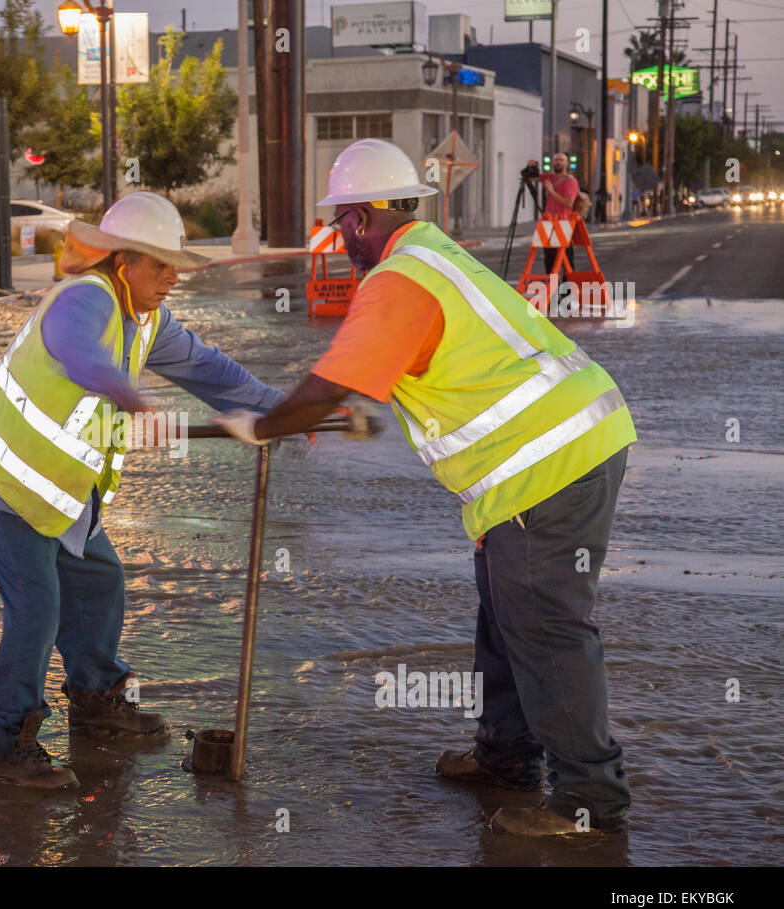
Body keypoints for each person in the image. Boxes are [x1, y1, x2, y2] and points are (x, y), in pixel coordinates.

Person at [215, 139, 638, 837]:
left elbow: (324, 387)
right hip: (551, 456)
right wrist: (344, 409)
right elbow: (406, 364)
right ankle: (506, 759)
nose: (338, 240)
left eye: (339, 225)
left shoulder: (397, 281)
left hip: (552, 463)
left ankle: (589, 800)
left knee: (547, 630)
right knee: (505, 619)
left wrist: (261, 427)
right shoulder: (431, 255)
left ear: (356, 219)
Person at [0, 191, 286, 789]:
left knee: (98, 581)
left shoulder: (147, 316)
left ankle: (95, 700)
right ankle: (5, 740)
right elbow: (80, 355)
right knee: (37, 606)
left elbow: (210, 370)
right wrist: (130, 396)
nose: (173, 277)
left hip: (61, 491)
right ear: (123, 261)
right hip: (4, 480)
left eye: (174, 264)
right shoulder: (84, 297)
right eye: (160, 264)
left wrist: (281, 410)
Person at [535, 152, 579, 283]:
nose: (558, 162)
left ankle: (567, 294)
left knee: (567, 261)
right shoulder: (550, 178)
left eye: (561, 160)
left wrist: (551, 191)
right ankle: (551, 292)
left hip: (564, 224)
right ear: (552, 163)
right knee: (549, 260)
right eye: (556, 160)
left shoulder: (570, 181)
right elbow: (533, 177)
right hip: (549, 224)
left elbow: (568, 203)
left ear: (567, 163)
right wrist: (532, 166)